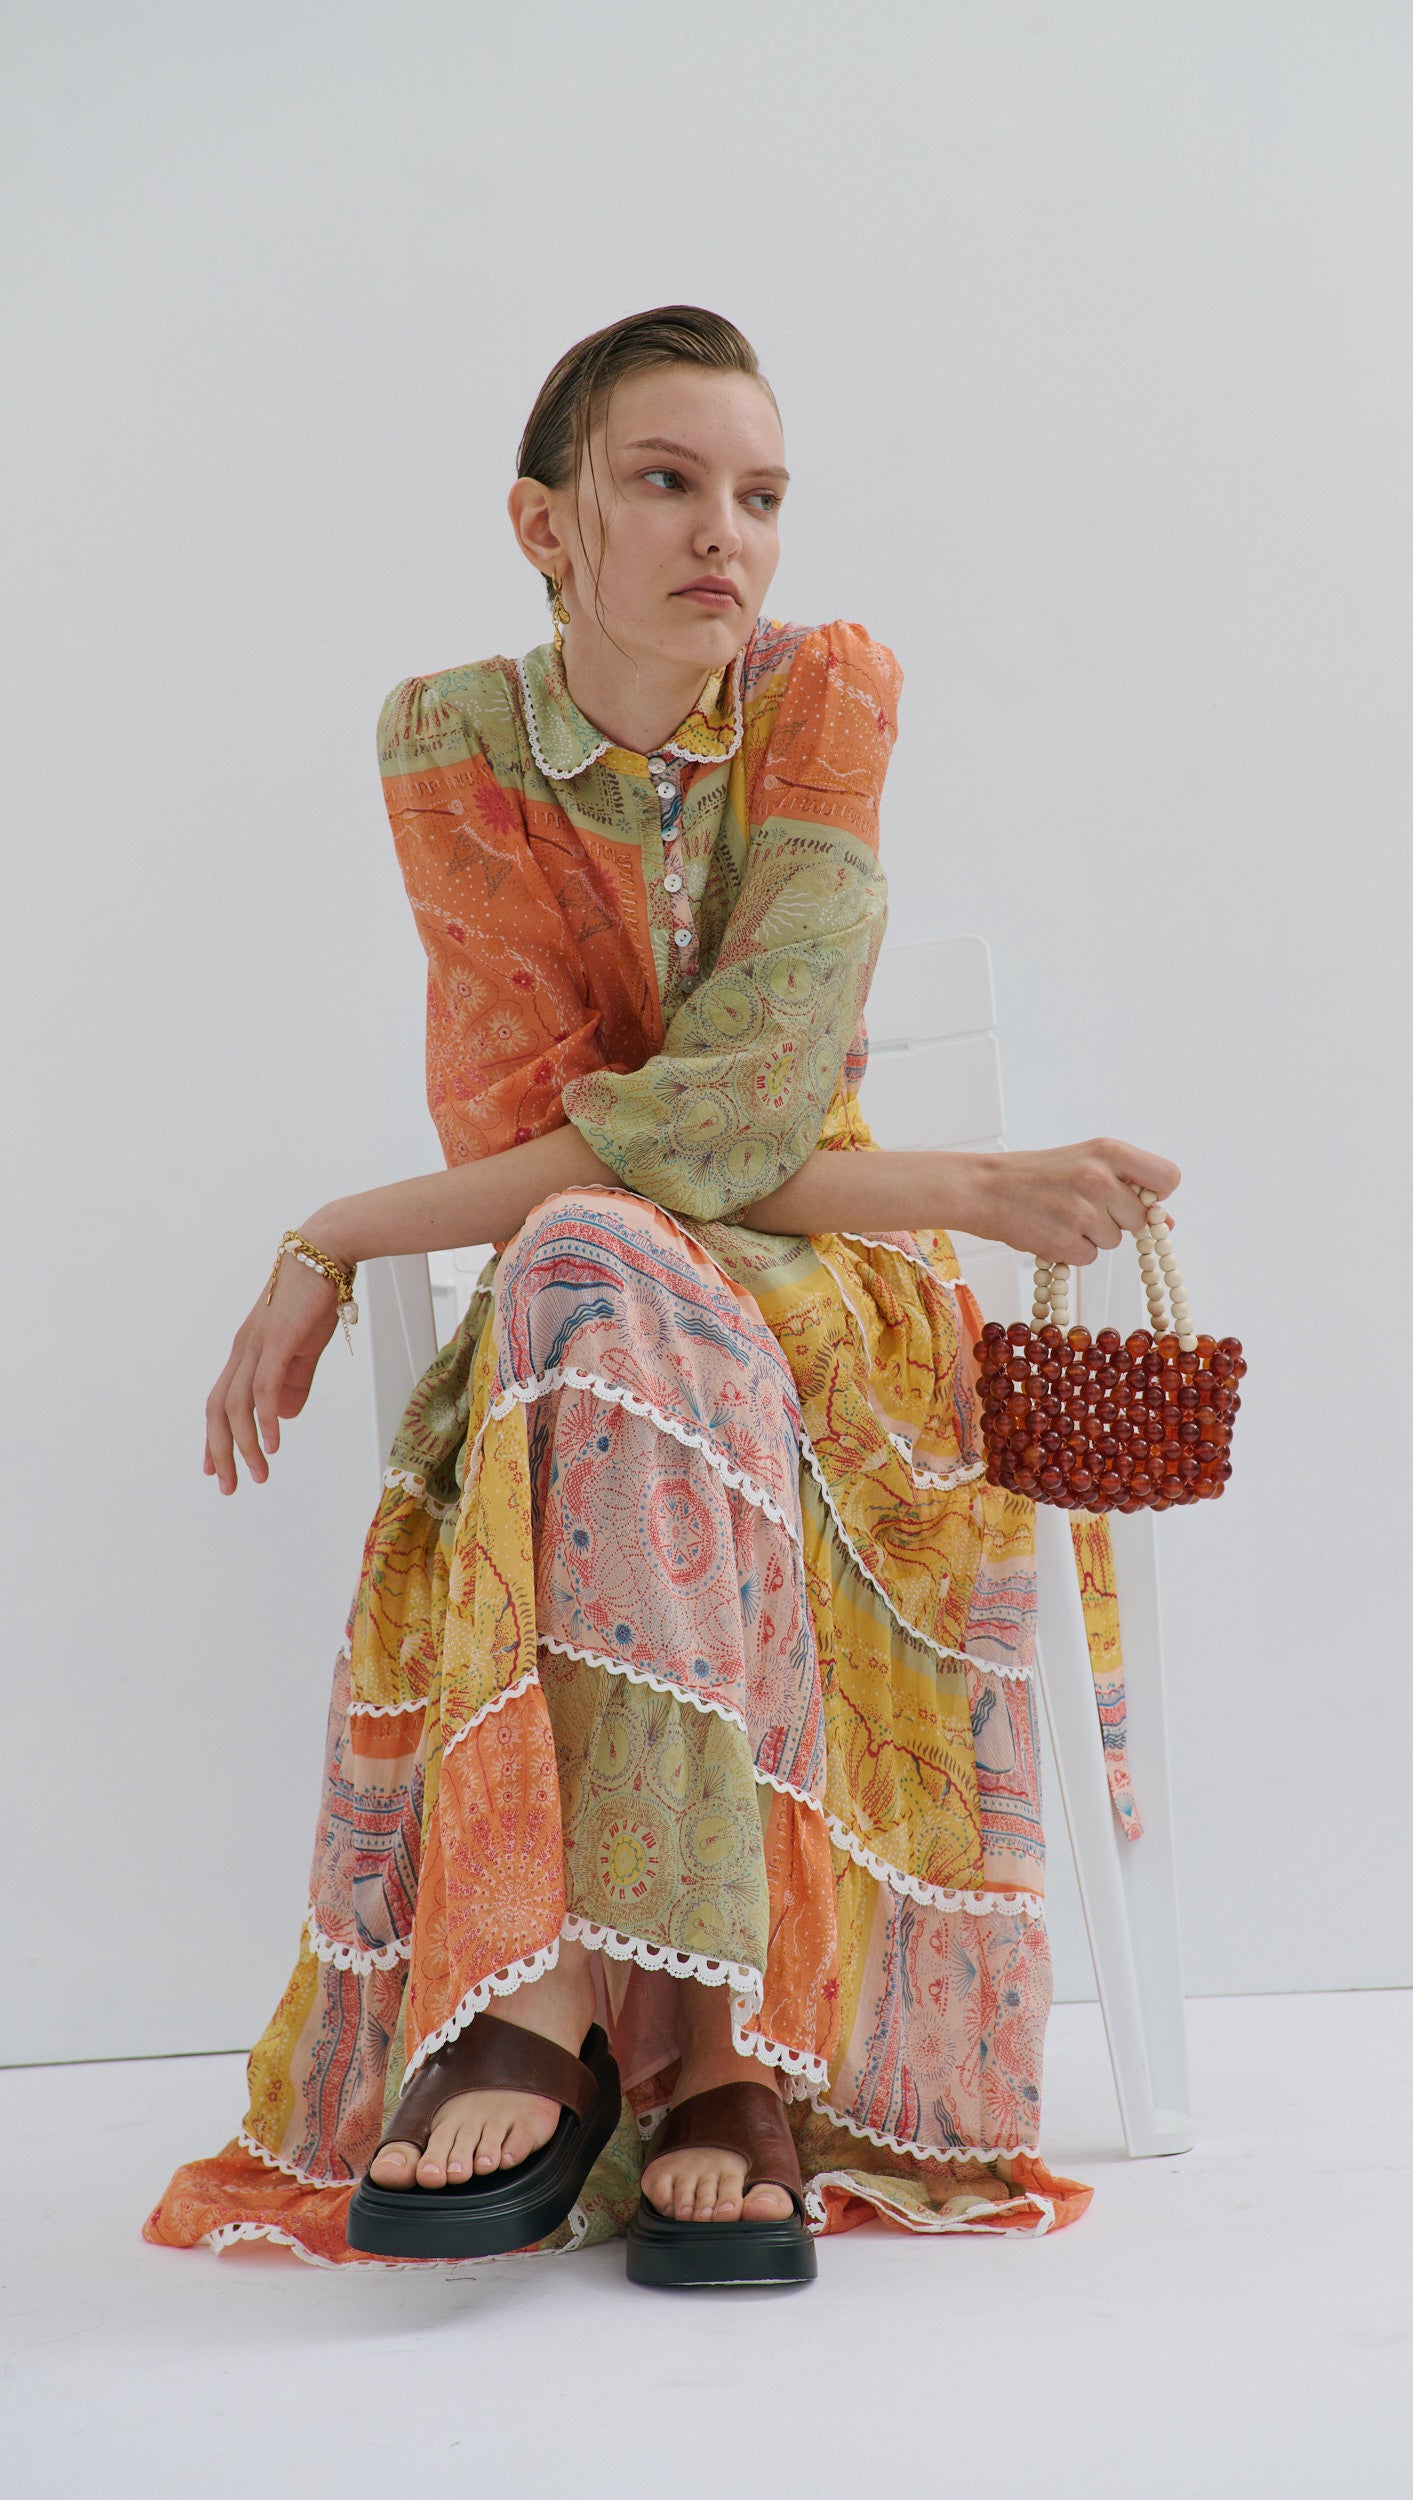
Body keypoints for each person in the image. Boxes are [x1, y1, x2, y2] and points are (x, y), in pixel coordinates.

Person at [146, 305, 1180, 2286]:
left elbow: (747, 1104)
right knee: (594, 1256)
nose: (730, 534)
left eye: (763, 495)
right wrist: (972, 1174)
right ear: (545, 524)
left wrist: (342, 1226)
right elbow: (565, 1127)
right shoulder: (452, 749)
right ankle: (711, 2062)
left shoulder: (824, 700)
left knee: (588, 1254)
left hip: (830, 1303)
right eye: (668, 482)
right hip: (598, 1307)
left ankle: (547, 2005)